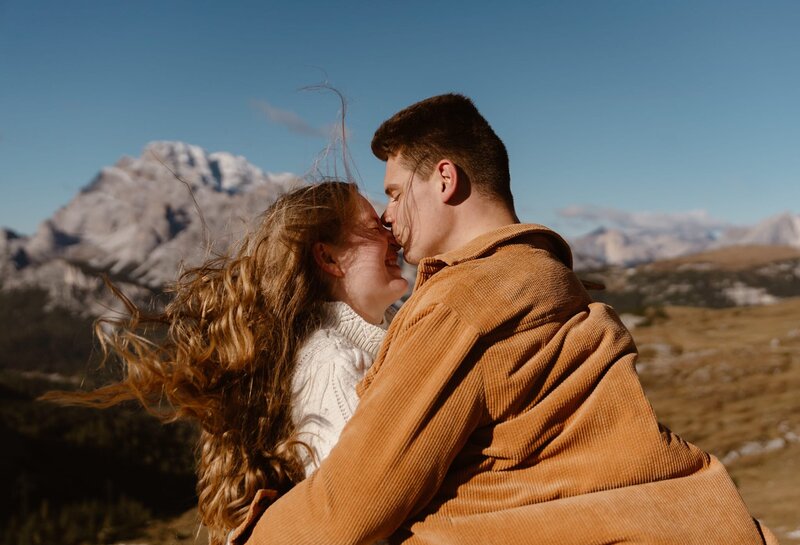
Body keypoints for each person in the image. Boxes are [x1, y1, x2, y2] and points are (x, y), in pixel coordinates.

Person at [235, 94, 777, 544]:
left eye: (397, 193)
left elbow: (351, 506)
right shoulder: (545, 274)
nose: (387, 214)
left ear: (444, 179)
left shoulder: (463, 302)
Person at [42, 181, 409, 545]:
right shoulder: (332, 363)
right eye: (374, 227)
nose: (393, 235)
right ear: (329, 258)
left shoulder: (377, 338)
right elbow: (364, 510)